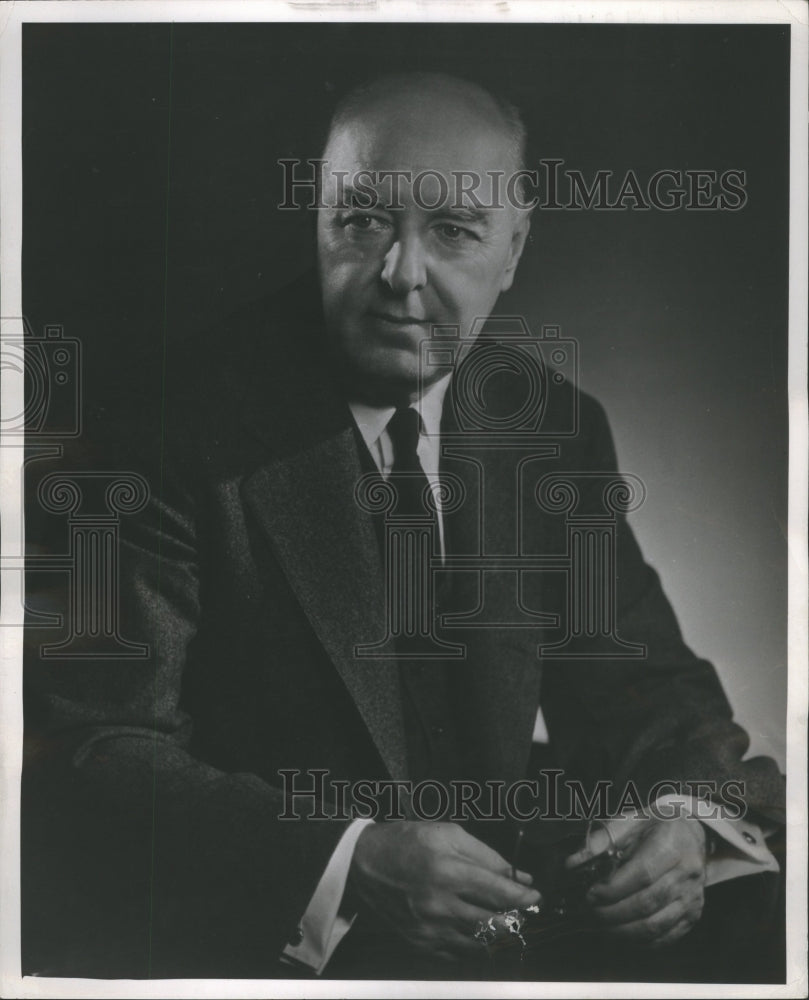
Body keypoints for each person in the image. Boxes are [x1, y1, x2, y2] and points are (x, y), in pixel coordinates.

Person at [22, 71, 785, 982]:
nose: (400, 275)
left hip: (503, 944)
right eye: (362, 221)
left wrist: (683, 821)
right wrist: (344, 861)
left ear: (513, 249)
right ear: (317, 218)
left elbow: (646, 693)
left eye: (454, 231)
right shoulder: (156, 432)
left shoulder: (553, 428)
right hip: (255, 954)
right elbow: (91, 753)